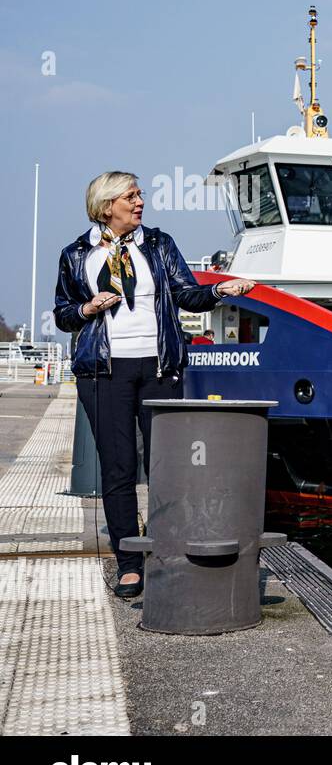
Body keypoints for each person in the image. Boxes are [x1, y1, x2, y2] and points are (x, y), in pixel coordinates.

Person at [54, 171, 256, 598]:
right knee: (119, 466)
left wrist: (221, 290)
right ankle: (129, 563)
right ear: (108, 206)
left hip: (158, 366)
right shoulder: (76, 255)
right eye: (131, 196)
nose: (140, 201)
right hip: (103, 371)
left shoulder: (160, 244)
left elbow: (187, 294)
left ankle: (167, 552)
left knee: (167, 464)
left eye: (140, 194)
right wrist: (88, 306)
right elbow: (63, 314)